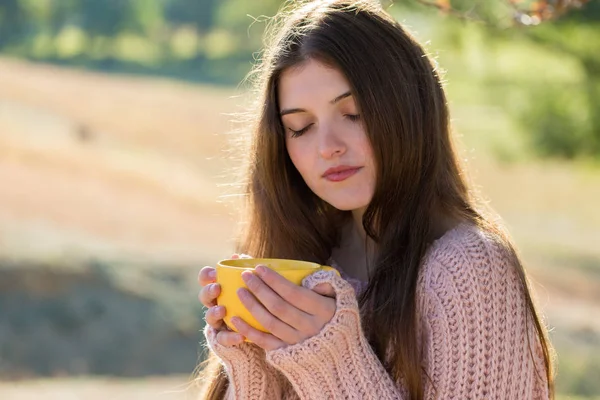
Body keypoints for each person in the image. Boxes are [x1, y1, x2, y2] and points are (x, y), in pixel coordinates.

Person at [196, 0, 555, 398]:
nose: (327, 147)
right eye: (301, 128)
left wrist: (330, 360)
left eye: (354, 114)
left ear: (408, 106)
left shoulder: (468, 269)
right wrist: (253, 360)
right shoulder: (303, 261)